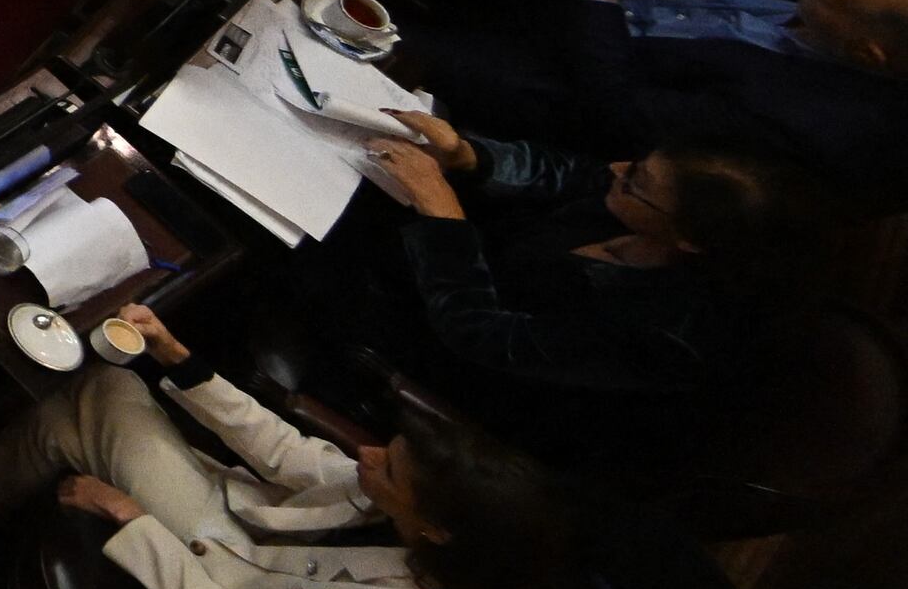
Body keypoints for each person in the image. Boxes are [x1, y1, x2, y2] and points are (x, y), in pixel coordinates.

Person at [0, 302, 577, 589]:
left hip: (228, 585)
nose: (364, 455)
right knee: (101, 396)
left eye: (387, 467)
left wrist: (135, 522)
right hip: (243, 528)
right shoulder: (438, 525)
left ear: (438, 530)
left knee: (90, 402)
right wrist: (176, 354)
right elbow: (290, 454)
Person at [302, 118, 829, 472]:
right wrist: (467, 155)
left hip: (475, 377)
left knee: (309, 252)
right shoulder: (654, 212)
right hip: (464, 278)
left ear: (690, 240)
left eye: (635, 182)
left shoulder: (664, 335)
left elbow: (480, 335)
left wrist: (442, 209)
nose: (617, 172)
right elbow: (571, 174)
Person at [428, 0, 908, 198]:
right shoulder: (847, 2)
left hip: (556, 80)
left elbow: (616, 113)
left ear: (865, 53)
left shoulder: (805, 119)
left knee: (404, 39)